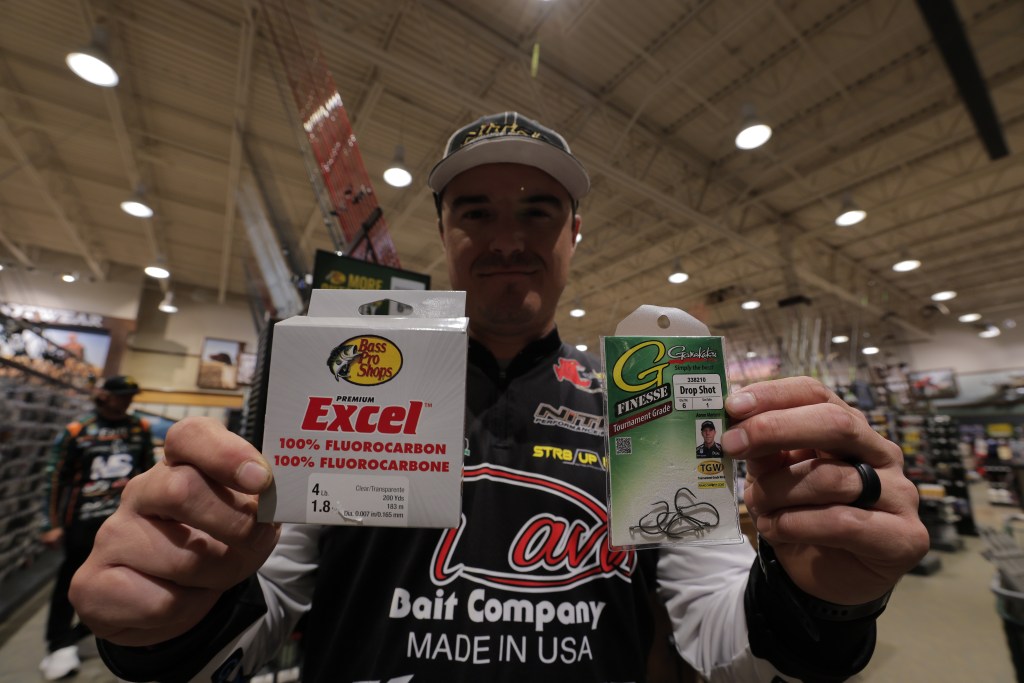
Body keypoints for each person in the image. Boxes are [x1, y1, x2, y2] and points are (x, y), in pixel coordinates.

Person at [70, 112, 929, 682]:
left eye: (540, 211)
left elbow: (719, 634)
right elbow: (262, 610)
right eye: (476, 212)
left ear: (576, 231)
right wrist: (175, 611)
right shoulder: (350, 375)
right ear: (444, 233)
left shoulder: (651, 396)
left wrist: (815, 604)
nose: (508, 238)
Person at [39, 375, 154, 680]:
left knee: (124, 582)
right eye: (122, 394)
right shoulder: (78, 430)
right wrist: (50, 523)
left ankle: (105, 634)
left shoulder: (139, 428)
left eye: (131, 395)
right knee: (71, 581)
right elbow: (55, 478)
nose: (127, 400)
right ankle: (58, 643)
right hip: (83, 520)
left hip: (123, 521)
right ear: (106, 396)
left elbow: (148, 473)